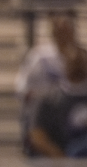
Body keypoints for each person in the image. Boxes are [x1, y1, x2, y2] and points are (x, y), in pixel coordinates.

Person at [18, 8, 81, 154]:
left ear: (73, 32)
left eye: (66, 31)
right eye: (58, 32)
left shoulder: (85, 58)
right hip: (48, 115)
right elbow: (23, 89)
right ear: (52, 34)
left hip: (77, 114)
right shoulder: (39, 57)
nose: (62, 35)